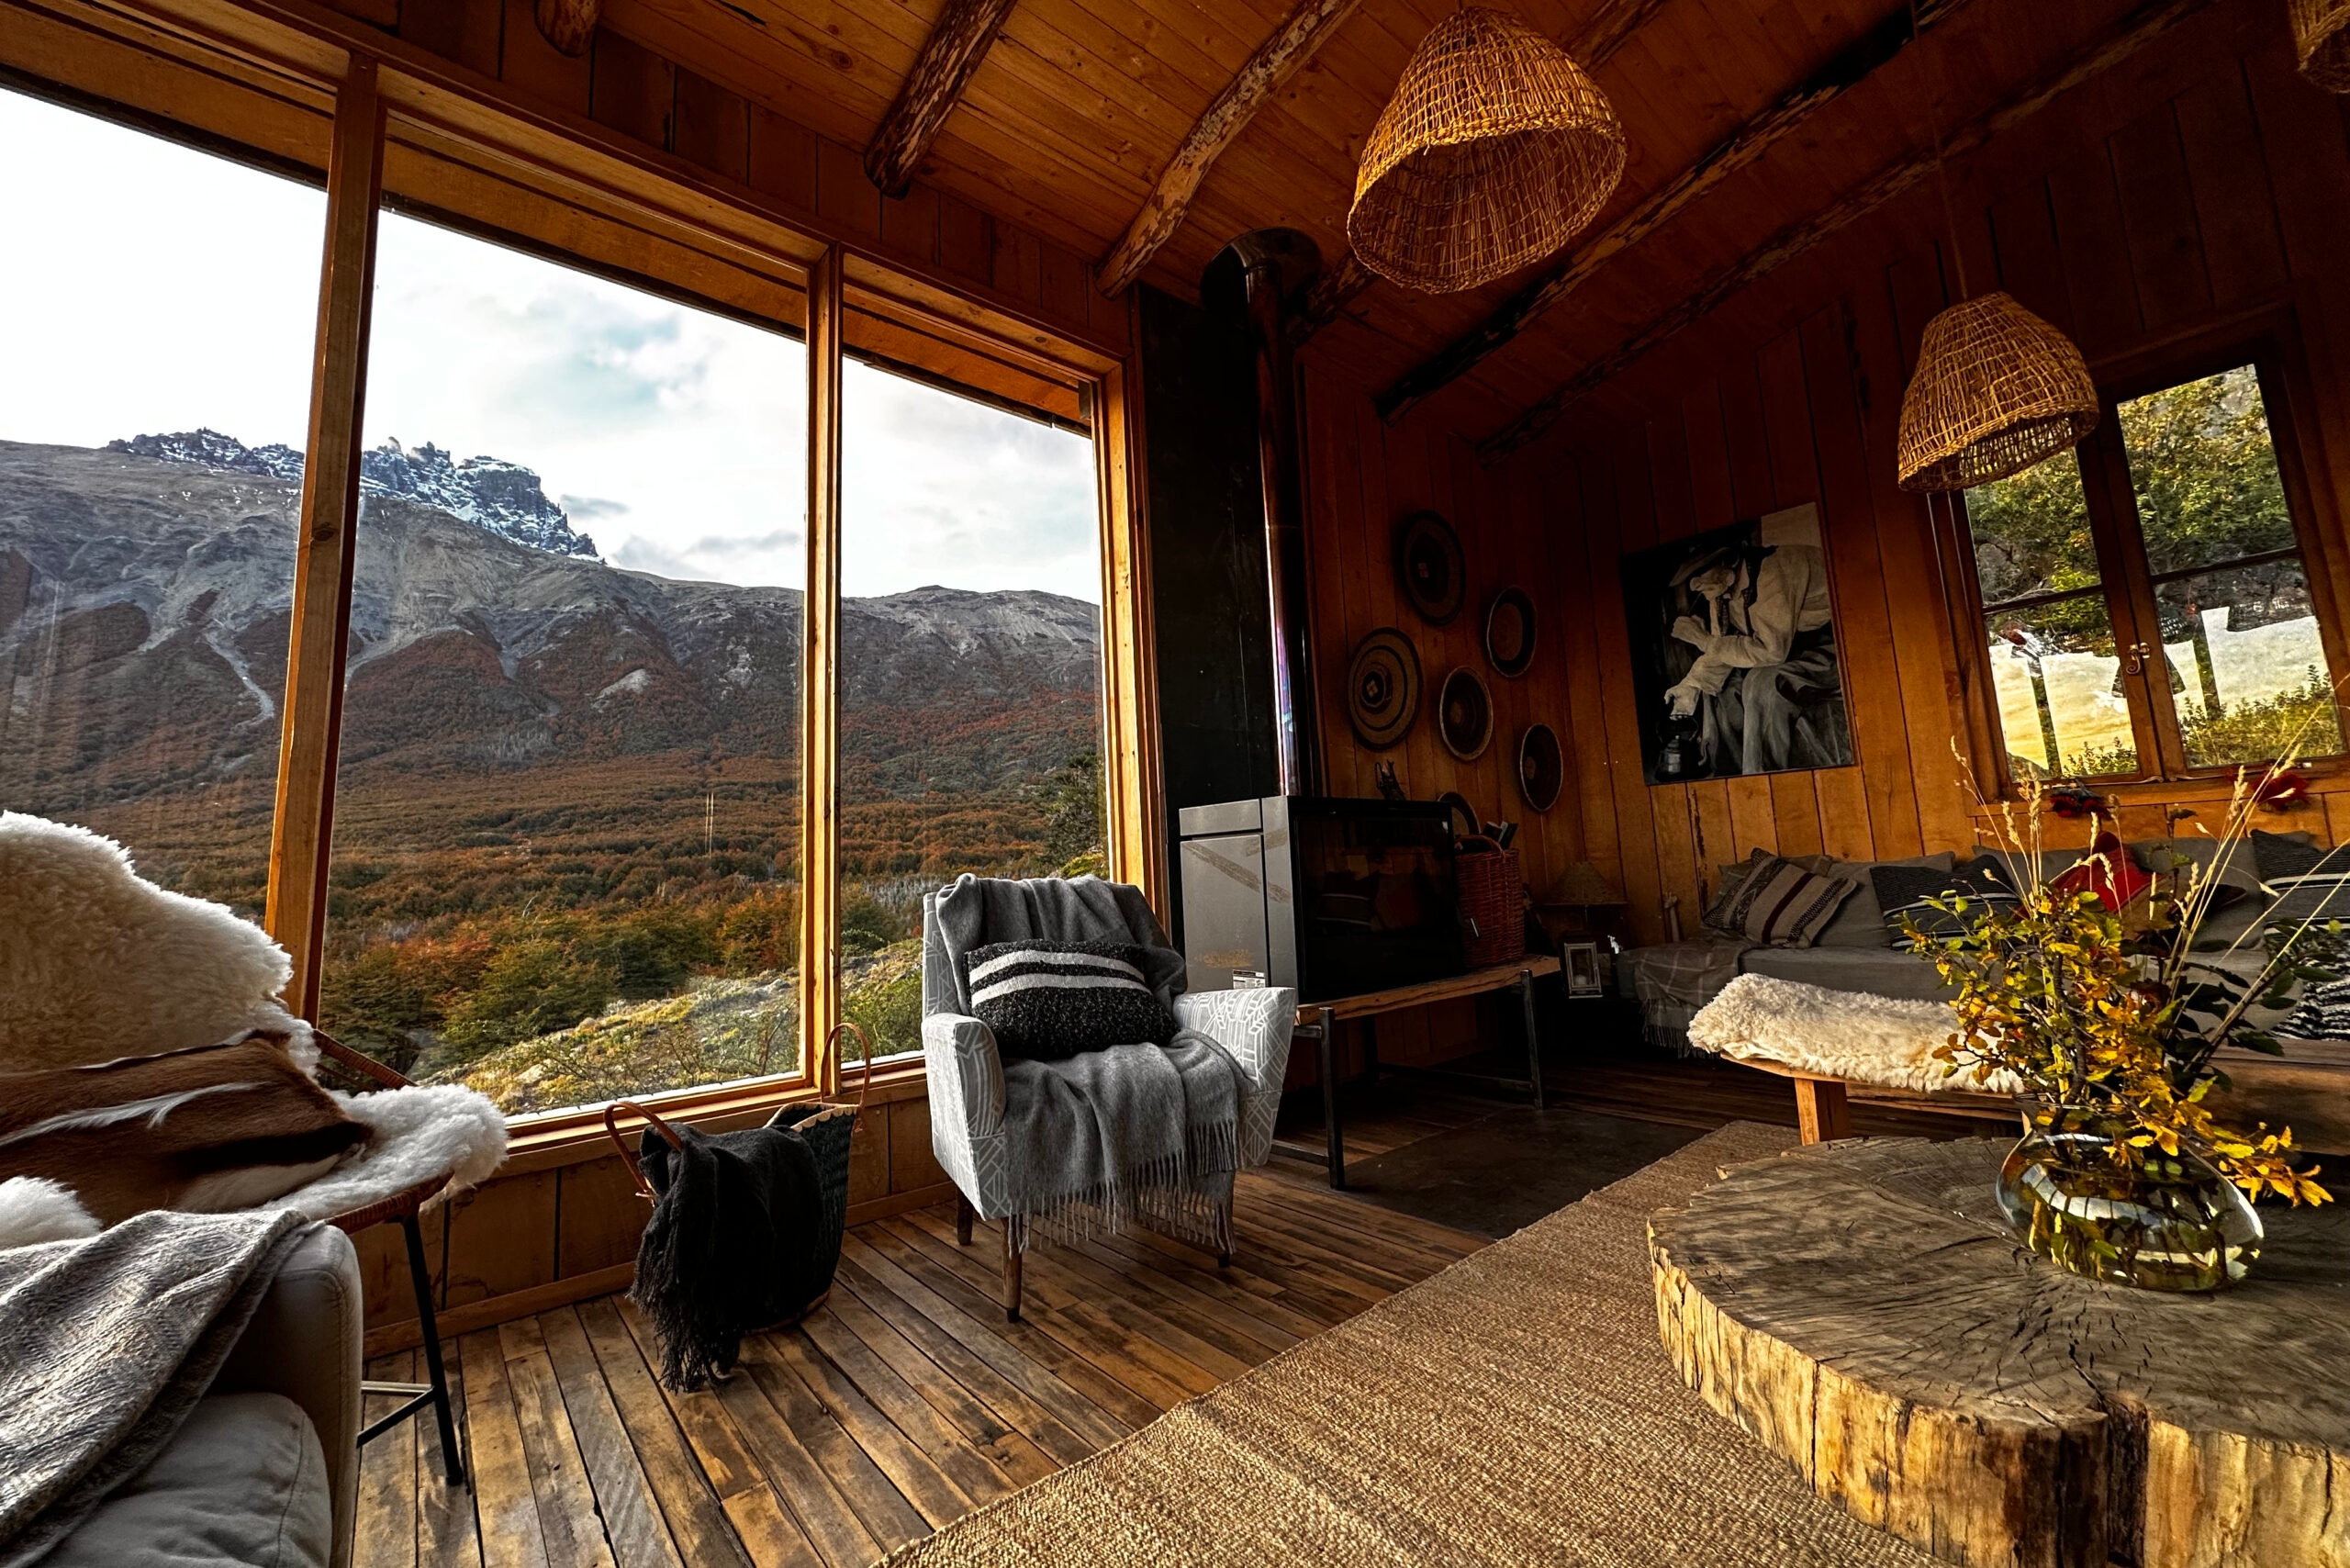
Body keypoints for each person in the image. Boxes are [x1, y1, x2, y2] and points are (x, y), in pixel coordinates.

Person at [1662, 541, 1841, 775]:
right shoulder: (1720, 589)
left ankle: (1762, 778)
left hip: (1834, 649)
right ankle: (1731, 774)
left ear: (1728, 561)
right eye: (1690, 578)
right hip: (1787, 652)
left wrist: (1702, 640)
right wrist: (1692, 685)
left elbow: (1772, 651)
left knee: (1760, 684)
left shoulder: (1774, 570)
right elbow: (1722, 650)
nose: (1694, 586)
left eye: (1700, 572)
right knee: (1720, 688)